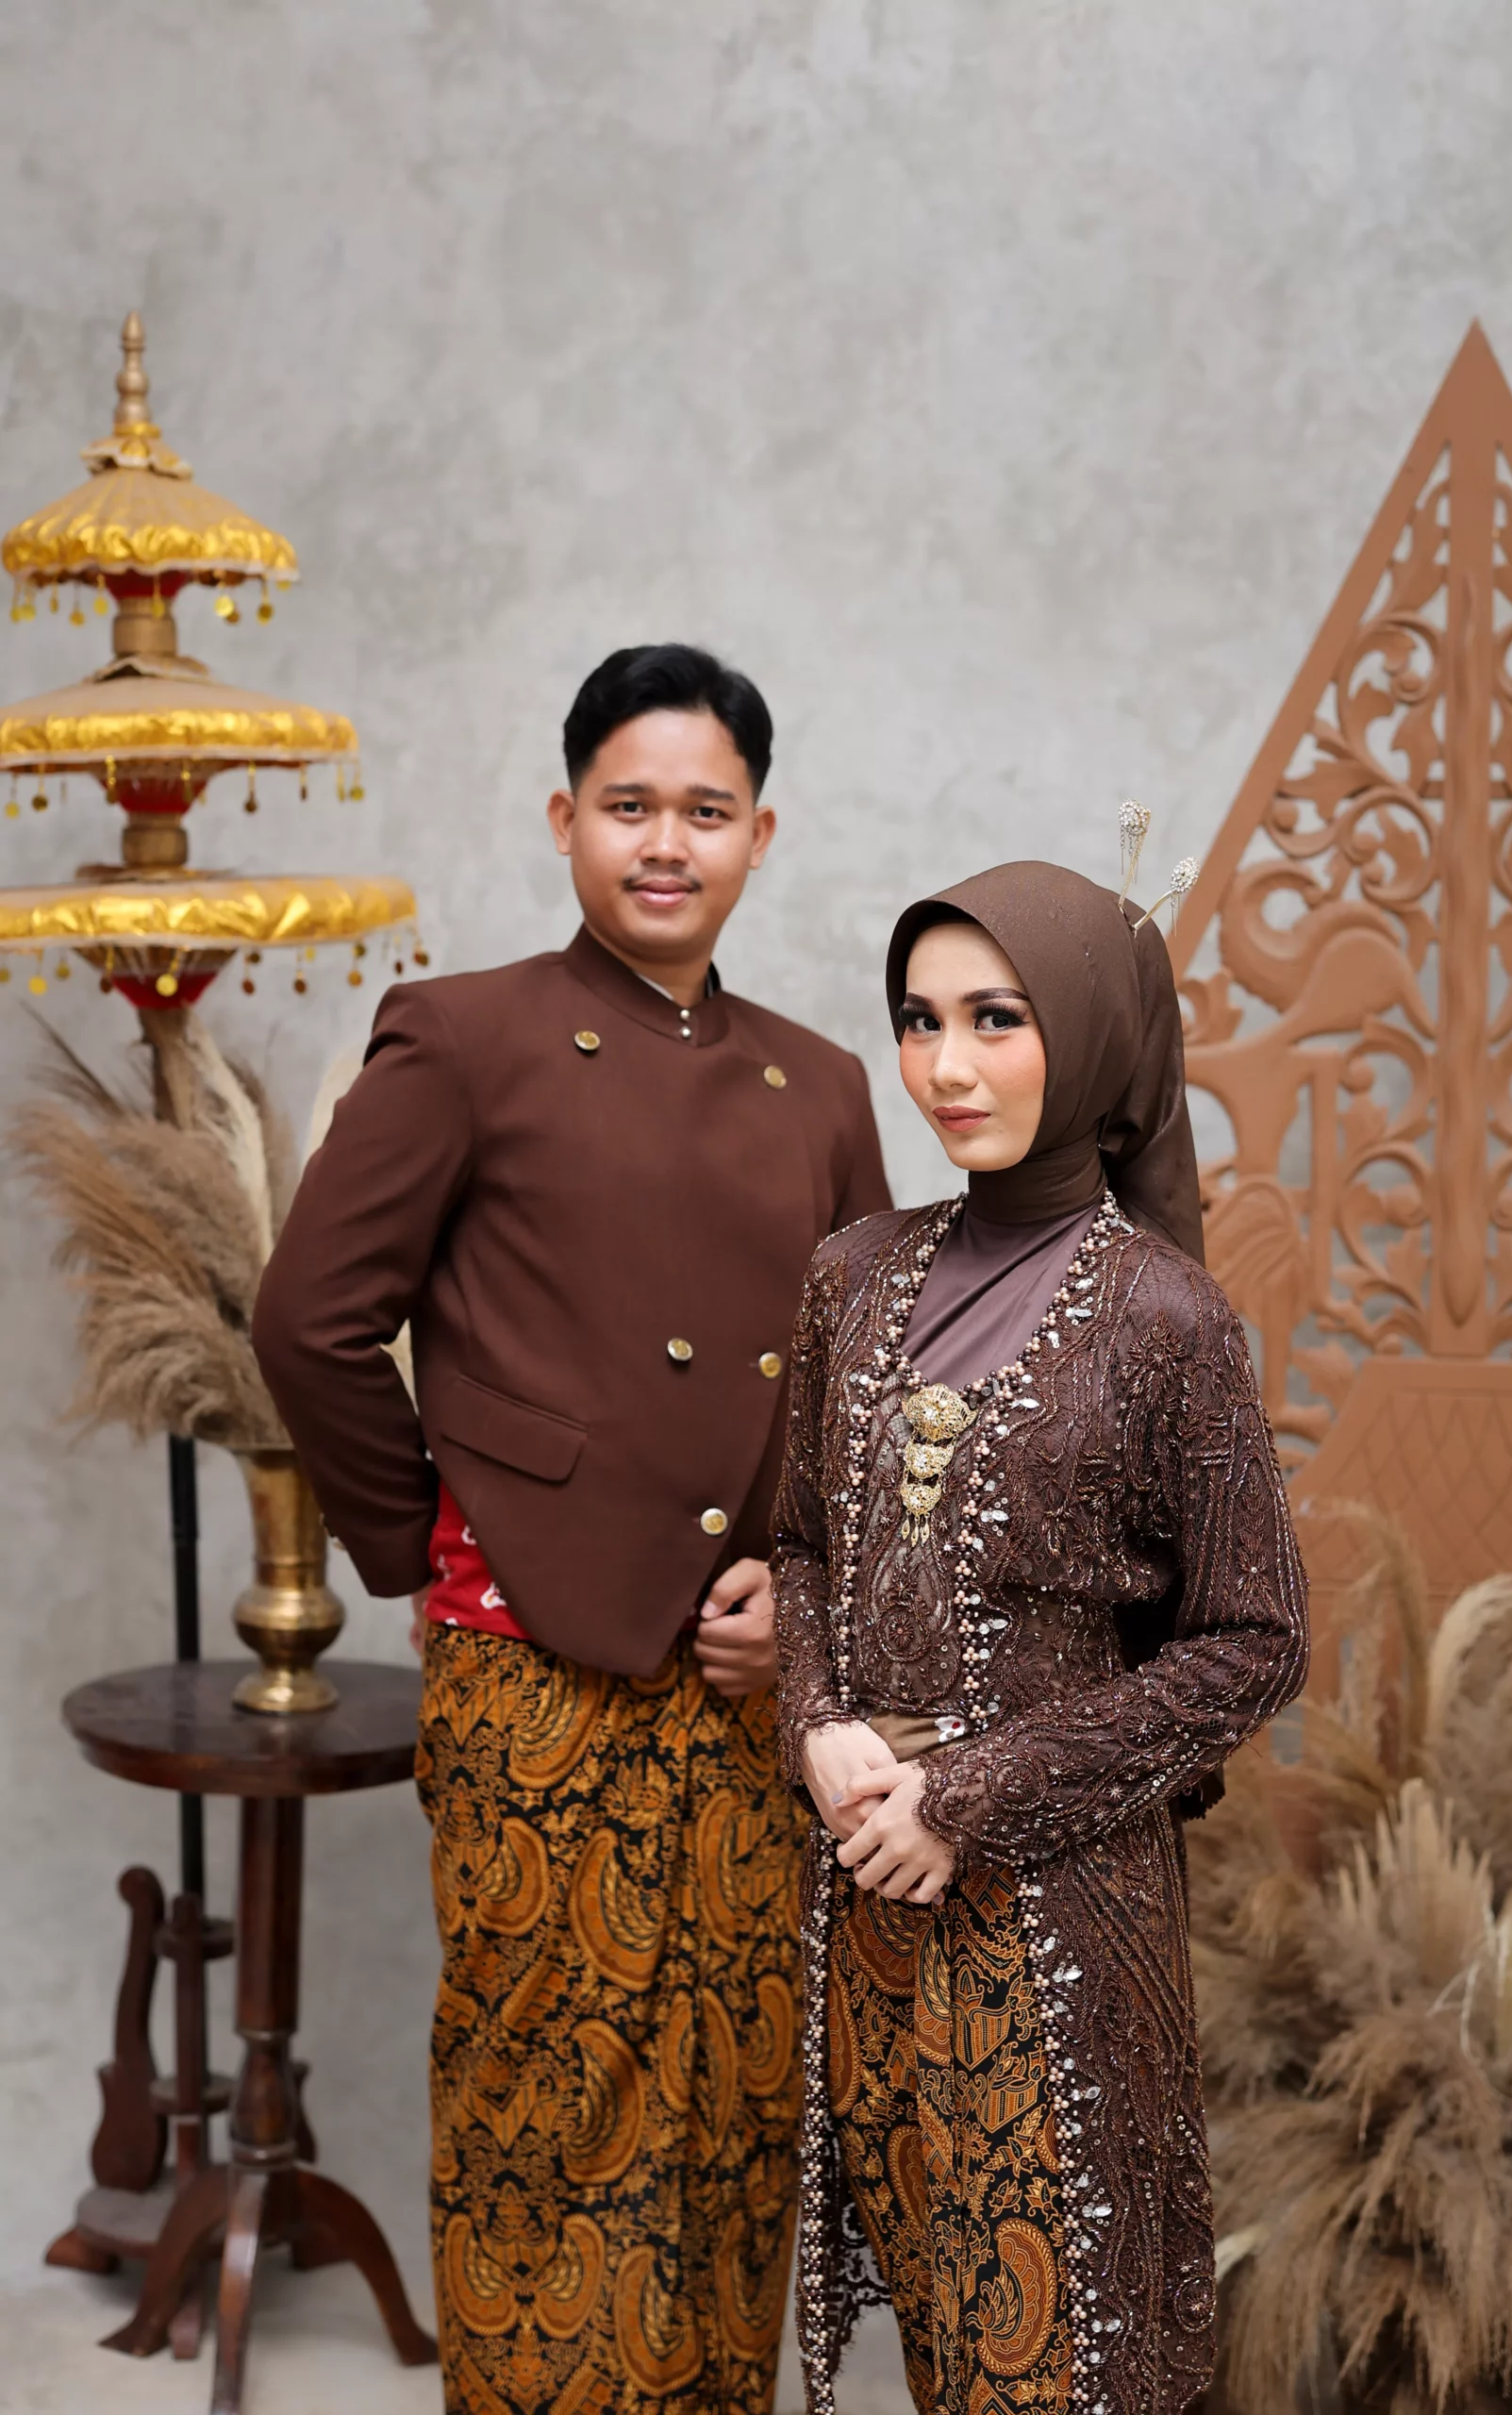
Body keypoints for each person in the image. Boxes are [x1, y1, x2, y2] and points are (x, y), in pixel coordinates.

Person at [253, 643, 890, 2415]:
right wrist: (436, 1548)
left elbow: (863, 1399)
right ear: (563, 821)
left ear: (761, 834)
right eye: (628, 806)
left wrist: (804, 1593)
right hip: (535, 1674)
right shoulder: (466, 1036)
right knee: (548, 2112)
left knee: (737, 2109)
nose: (664, 843)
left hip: (749, 1696)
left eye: (705, 810)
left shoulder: (825, 1082)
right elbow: (309, 1320)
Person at [771, 859, 1309, 2415]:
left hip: (1061, 1912)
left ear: (1085, 1034)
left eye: (996, 1019)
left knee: (1071, 2349)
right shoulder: (850, 1276)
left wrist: (970, 1796)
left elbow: (1252, 1639)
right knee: (946, 2336)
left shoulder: (1167, 1319)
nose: (946, 1065)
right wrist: (815, 1722)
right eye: (918, 1020)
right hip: (869, 1895)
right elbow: (800, 1545)